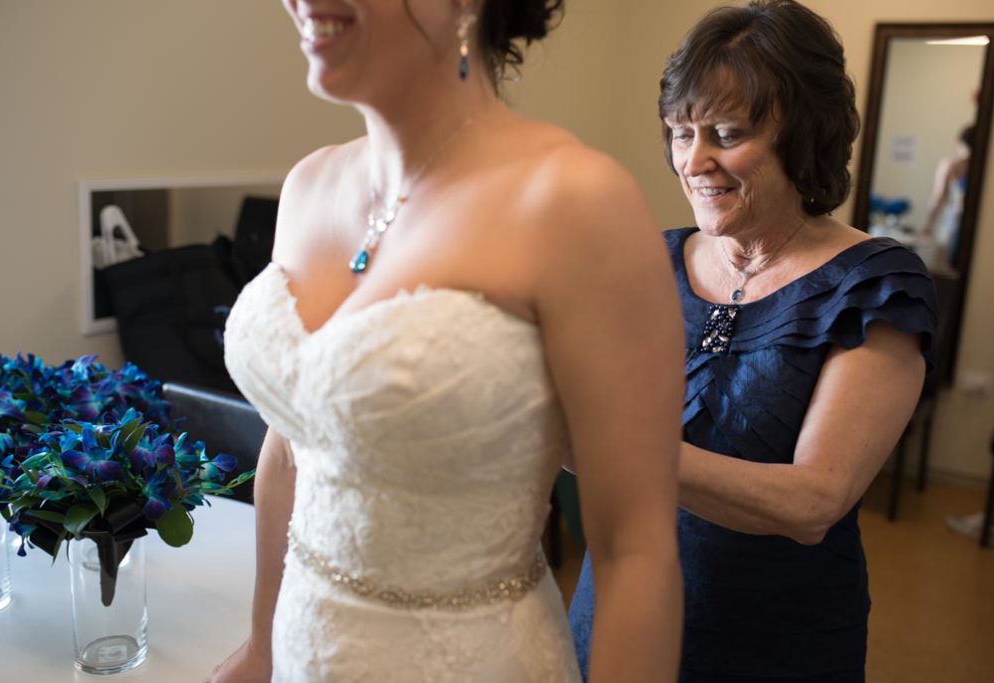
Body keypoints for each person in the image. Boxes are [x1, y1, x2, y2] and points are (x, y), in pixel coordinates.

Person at [209, 1, 685, 681]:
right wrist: (260, 645)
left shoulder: (576, 203)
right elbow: (290, 447)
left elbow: (633, 553)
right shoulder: (308, 185)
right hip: (302, 647)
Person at [568, 2, 936, 681]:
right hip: (614, 623)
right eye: (680, 133)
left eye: (727, 132)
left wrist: (595, 445)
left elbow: (812, 502)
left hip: (774, 648)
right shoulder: (646, 264)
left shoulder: (875, 287)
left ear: (804, 135)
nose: (694, 160)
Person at [920, 124, 973, 270]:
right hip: (973, 227)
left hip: (954, 224)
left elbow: (938, 198)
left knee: (945, 270)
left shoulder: (952, 165)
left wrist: (927, 227)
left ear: (960, 141)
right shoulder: (985, 166)